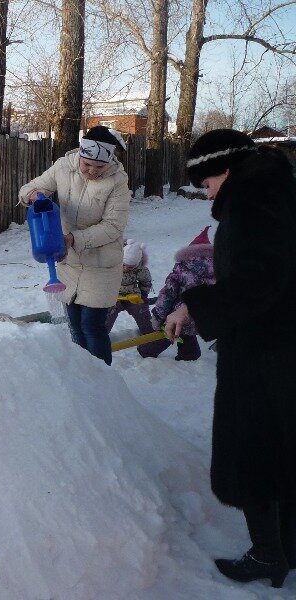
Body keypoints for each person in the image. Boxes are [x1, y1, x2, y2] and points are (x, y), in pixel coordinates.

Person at [165, 130, 296, 588]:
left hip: (264, 350)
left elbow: (259, 282)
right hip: (282, 343)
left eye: (206, 183)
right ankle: (286, 548)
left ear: (224, 169)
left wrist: (194, 306)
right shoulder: (278, 191)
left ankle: (267, 556)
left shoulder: (250, 205)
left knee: (255, 451)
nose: (208, 193)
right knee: (282, 447)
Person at [19, 126, 131, 365]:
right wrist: (34, 195)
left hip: (100, 264)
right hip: (67, 262)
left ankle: (101, 381)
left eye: (99, 167)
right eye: (87, 164)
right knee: (75, 326)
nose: (91, 171)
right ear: (80, 155)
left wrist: (73, 239)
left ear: (109, 160)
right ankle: (82, 381)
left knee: (92, 326)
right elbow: (28, 189)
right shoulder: (63, 166)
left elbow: (113, 227)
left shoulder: (118, 181)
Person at [141, 226, 215, 361]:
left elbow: (167, 294)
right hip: (197, 317)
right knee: (187, 336)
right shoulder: (218, 274)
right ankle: (189, 355)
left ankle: (146, 350)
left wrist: (158, 315)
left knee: (167, 334)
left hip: (176, 316)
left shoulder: (181, 270)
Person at [104, 239, 156, 355]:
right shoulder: (113, 265)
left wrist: (143, 295)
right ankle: (100, 335)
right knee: (109, 312)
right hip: (114, 296)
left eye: (130, 267)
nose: (126, 268)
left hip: (132, 295)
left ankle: (149, 335)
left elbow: (146, 282)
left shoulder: (141, 270)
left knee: (141, 311)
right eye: (124, 265)